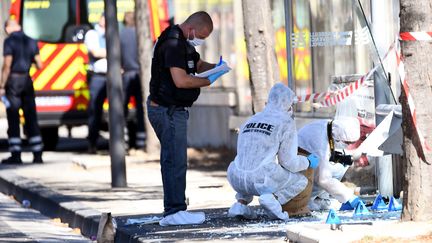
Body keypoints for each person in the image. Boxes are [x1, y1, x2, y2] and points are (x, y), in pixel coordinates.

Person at [147, 11, 229, 226]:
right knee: (175, 161)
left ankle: (173, 209)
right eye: (201, 35)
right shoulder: (173, 44)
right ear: (191, 29)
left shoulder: (183, 43)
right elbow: (181, 81)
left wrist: (218, 68)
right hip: (168, 111)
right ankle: (175, 211)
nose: (201, 40)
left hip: (171, 109)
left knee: (172, 159)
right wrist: (208, 81)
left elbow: (197, 65)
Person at [226, 83, 319, 221]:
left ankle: (241, 205)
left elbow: (246, 156)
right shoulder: (285, 123)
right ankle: (272, 200)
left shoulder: (250, 119)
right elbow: (289, 162)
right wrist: (308, 161)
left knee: (249, 168)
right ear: (288, 104)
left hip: (235, 176)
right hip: (261, 179)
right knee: (300, 181)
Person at [0, 19, 44, 164]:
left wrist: (2, 85)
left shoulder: (9, 42)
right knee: (31, 116)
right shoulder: (31, 41)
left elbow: (7, 65)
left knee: (13, 117)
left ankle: (16, 154)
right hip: (27, 80)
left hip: (13, 81)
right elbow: (40, 64)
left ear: (7, 28)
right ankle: (37, 154)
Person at [297, 116, 363, 211]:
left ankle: (323, 197)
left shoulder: (330, 127)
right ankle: (310, 199)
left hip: (307, 157)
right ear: (338, 136)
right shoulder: (320, 143)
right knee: (327, 173)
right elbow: (324, 180)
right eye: (347, 142)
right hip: (300, 166)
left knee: (341, 164)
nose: (349, 145)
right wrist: (349, 197)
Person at [120, 11, 146, 150]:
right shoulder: (140, 33)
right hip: (140, 75)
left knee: (122, 108)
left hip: (126, 74)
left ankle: (124, 140)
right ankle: (141, 141)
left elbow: (116, 55)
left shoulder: (121, 34)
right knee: (141, 109)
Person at [85, 14, 107, 154]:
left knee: (120, 110)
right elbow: (95, 52)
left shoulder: (114, 32)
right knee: (95, 110)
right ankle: (92, 143)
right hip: (98, 77)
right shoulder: (92, 34)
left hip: (114, 76)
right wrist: (114, 50)